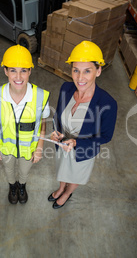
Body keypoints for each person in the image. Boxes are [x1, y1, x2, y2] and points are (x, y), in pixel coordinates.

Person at [48, 41, 117, 209]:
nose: (80, 78)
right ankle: (60, 188)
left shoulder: (107, 103)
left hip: (83, 151)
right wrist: (55, 132)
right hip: (62, 146)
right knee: (62, 170)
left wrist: (77, 143)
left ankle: (66, 193)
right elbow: (58, 116)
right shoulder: (66, 88)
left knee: (75, 175)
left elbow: (106, 136)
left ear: (98, 70)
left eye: (87, 71)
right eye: (76, 70)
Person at [0, 45, 50, 204]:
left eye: (23, 70)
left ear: (30, 71)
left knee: (24, 171)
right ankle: (12, 186)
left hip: (28, 148)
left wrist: (40, 148)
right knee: (9, 170)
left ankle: (22, 186)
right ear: (5, 71)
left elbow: (42, 123)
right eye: (13, 70)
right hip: (6, 147)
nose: (18, 76)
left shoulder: (41, 96)